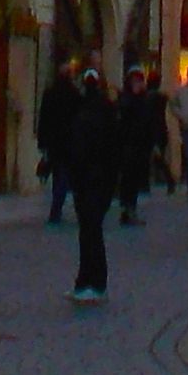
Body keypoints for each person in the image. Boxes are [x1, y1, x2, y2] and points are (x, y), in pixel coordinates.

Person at [54, 60, 120, 305]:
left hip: (94, 179)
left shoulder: (94, 111)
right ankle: (85, 281)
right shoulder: (95, 110)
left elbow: (106, 149)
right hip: (89, 179)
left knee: (91, 231)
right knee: (88, 231)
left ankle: (96, 282)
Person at [112, 64, 162, 227]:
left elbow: (150, 122)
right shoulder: (125, 99)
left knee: (135, 179)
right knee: (128, 179)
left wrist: (153, 143)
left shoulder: (146, 99)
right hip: (126, 145)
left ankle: (129, 209)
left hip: (141, 146)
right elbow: (121, 118)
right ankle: (127, 209)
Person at [34, 65, 73, 227]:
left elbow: (43, 118)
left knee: (57, 175)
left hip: (53, 142)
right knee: (62, 176)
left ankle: (55, 209)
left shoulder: (49, 93)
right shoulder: (73, 94)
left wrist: (42, 142)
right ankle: (56, 209)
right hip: (67, 143)